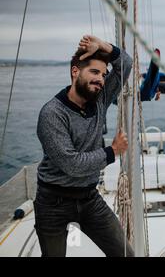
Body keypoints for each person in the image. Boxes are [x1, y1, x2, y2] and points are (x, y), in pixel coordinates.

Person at [34, 35, 134, 257]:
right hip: (52, 202)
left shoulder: (100, 100)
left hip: (89, 198)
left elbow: (126, 64)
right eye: (95, 72)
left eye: (104, 74)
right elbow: (72, 164)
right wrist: (113, 151)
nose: (101, 79)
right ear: (75, 72)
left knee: (126, 255)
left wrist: (103, 46)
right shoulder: (52, 114)